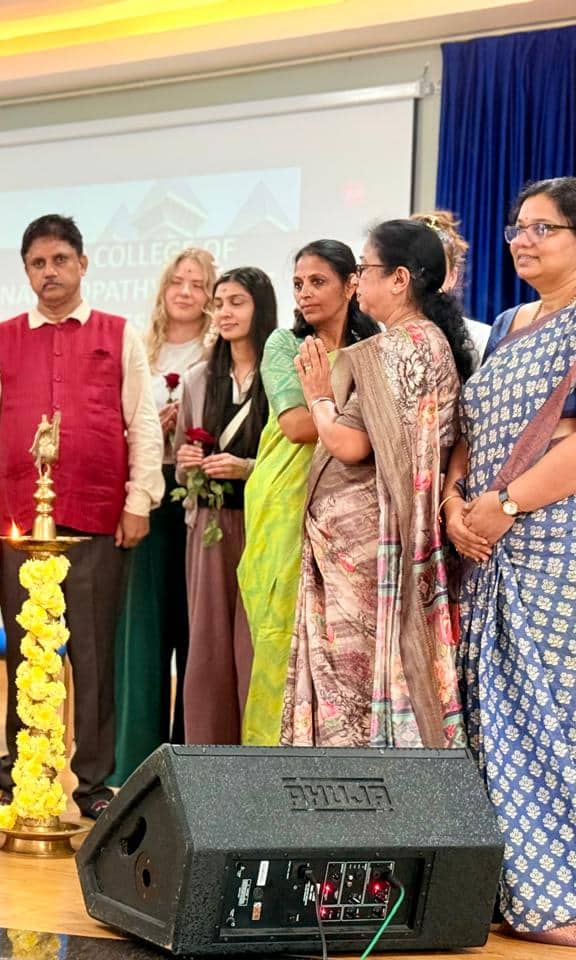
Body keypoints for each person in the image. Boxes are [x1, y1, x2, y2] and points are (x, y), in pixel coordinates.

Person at [0, 214, 162, 821]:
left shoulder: (118, 335)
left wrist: (139, 500)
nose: (49, 272)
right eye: (37, 263)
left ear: (82, 264)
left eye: (60, 260)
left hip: (96, 520)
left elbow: (142, 423)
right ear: (26, 271)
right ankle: (23, 780)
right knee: (27, 656)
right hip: (21, 526)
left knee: (94, 659)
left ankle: (93, 785)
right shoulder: (1, 340)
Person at [283, 219, 475, 748]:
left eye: (365, 269)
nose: (358, 281)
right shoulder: (433, 342)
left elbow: (348, 444)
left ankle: (350, 785)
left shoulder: (391, 349)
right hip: (388, 543)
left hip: (368, 549)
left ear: (399, 279)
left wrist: (319, 395)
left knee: (352, 674)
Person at [446, 177, 576, 946]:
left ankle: (557, 896)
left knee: (547, 718)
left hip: (551, 549)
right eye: (517, 227)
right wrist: (455, 499)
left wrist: (505, 505)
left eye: (543, 228)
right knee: (488, 722)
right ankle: (504, 887)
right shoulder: (505, 324)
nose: (523, 240)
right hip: (483, 544)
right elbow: (470, 426)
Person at [237, 241, 380, 745]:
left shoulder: (375, 343)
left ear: (351, 284)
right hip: (285, 497)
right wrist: (352, 408)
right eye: (298, 283)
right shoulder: (285, 344)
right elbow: (297, 426)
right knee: (279, 632)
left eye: (318, 281)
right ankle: (269, 763)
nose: (304, 293)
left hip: (353, 504)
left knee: (346, 638)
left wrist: (332, 401)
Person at [111, 249, 215, 780]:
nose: (186, 292)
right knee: (143, 633)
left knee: (196, 632)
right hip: (149, 496)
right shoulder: (139, 346)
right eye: (178, 281)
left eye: (198, 284)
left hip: (200, 497)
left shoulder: (218, 350)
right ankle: (135, 764)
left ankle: (189, 763)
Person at [172, 267, 275, 744]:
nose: (225, 313)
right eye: (219, 303)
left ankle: (257, 758)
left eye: (237, 302)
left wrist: (245, 468)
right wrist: (188, 462)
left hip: (263, 525)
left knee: (253, 642)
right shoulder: (198, 378)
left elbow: (293, 460)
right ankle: (207, 758)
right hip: (208, 526)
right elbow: (181, 463)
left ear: (260, 307)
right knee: (208, 646)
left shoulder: (279, 375)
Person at [410, 209, 489, 359]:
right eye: (414, 266)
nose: (423, 277)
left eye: (435, 267)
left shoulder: (482, 339)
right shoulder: (379, 335)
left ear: (452, 276)